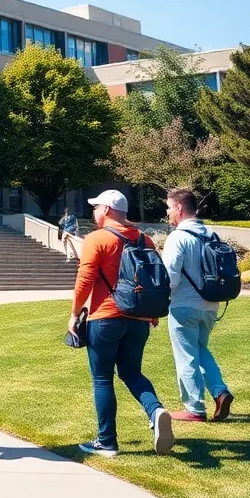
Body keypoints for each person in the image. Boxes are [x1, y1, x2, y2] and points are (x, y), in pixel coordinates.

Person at [69, 190, 174, 458]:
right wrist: (152, 312)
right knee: (132, 373)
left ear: (105, 210)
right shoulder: (145, 239)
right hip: (139, 319)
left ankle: (107, 441)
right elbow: (155, 280)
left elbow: (86, 279)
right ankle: (156, 411)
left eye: (96, 208)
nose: (94, 213)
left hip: (105, 317)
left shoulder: (96, 239)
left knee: (102, 379)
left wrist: (74, 313)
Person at [162, 187, 233, 422]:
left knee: (186, 355)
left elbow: (169, 276)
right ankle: (220, 391)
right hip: (211, 304)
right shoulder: (211, 234)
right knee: (201, 350)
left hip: (184, 305)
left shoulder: (178, 237)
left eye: (169, 207)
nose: (168, 211)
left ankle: (194, 407)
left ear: (180, 208)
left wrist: (160, 299)